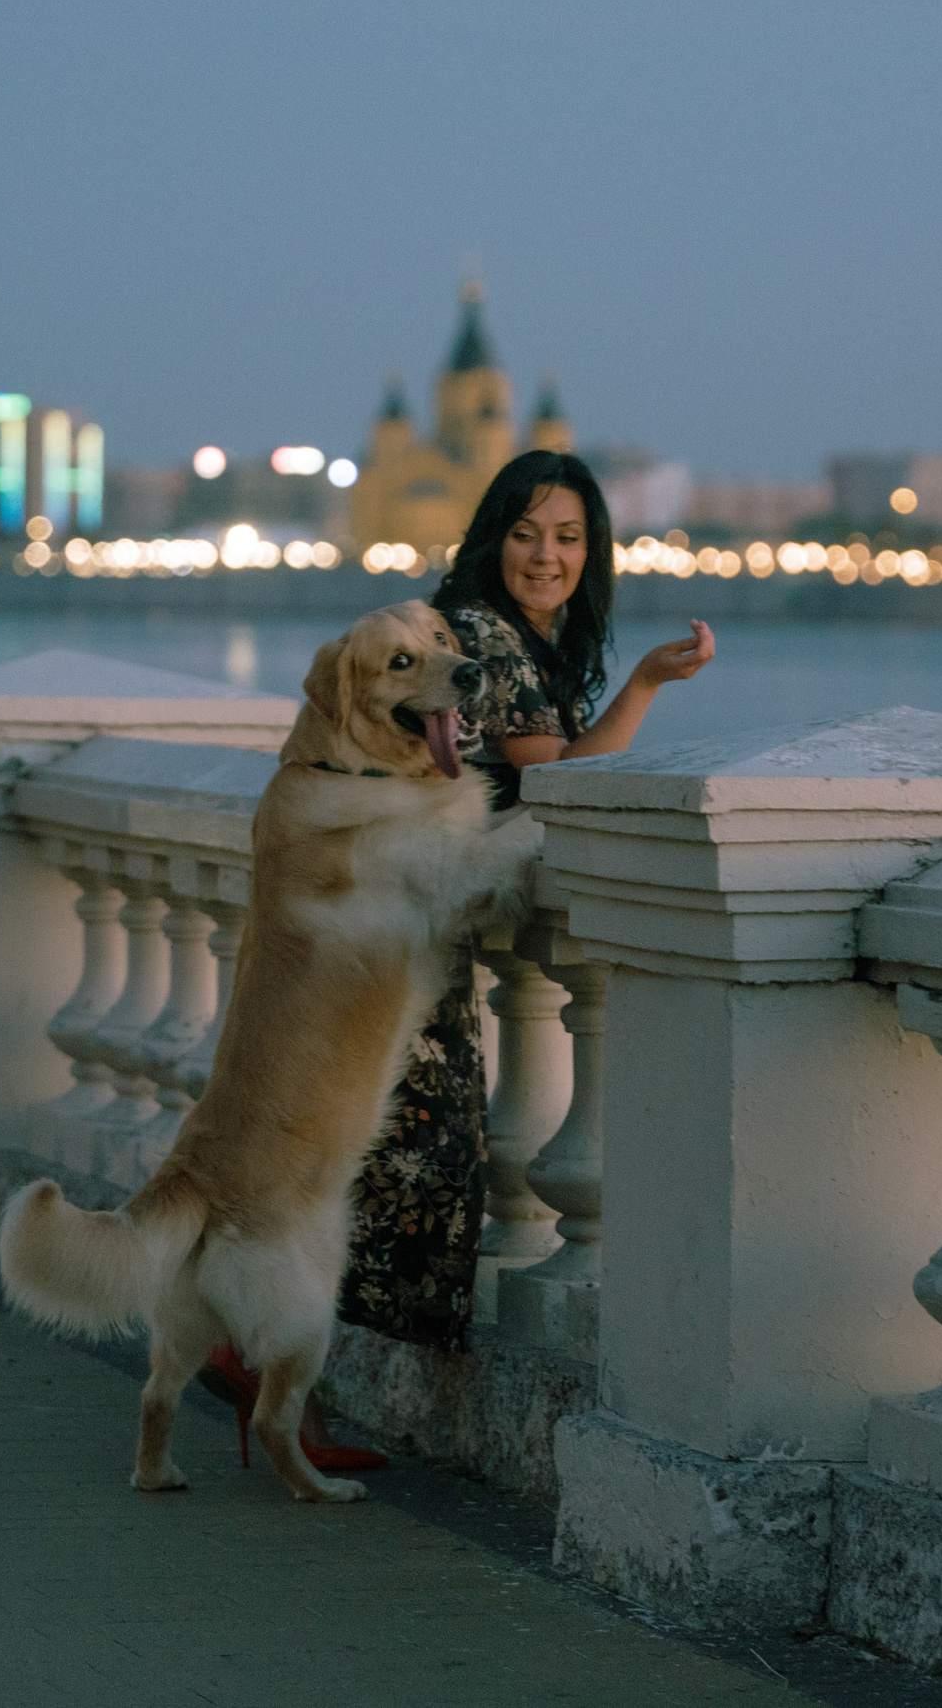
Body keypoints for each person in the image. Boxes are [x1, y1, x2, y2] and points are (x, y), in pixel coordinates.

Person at [335, 450, 715, 1352]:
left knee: (385, 1155)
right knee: (404, 1159)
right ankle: (262, 1365)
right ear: (492, 538)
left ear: (595, 550)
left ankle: (278, 1388)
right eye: (526, 533)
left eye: (569, 537)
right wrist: (649, 685)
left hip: (399, 910)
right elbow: (559, 782)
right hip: (396, 923)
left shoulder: (492, 631)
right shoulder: (484, 634)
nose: (546, 556)